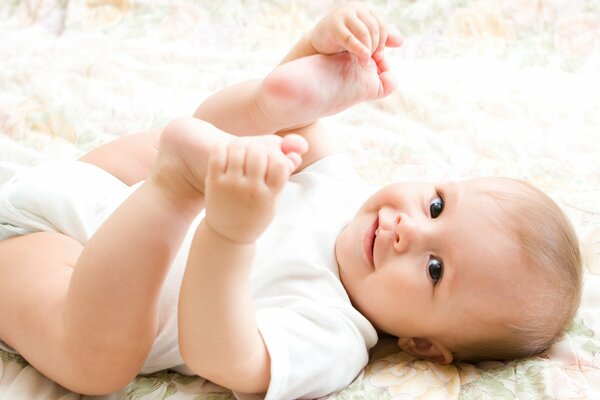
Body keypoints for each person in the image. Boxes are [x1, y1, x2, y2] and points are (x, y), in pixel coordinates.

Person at [0, 3, 582, 400]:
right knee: (263, 130)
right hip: (101, 185)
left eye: (434, 269)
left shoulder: (334, 335)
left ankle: (179, 184)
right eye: (435, 206)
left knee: (98, 364)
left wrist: (230, 236)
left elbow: (218, 353)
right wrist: (316, 54)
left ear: (424, 346)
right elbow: (239, 128)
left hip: (58, 263)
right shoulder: (340, 187)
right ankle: (260, 109)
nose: (407, 231)